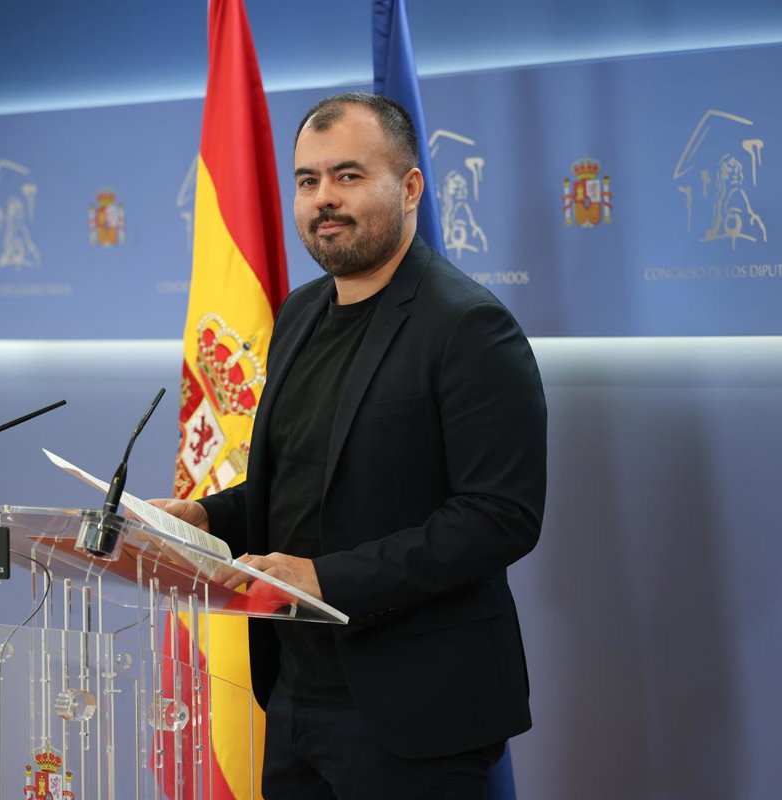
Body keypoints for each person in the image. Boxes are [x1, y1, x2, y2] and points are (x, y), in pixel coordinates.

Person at [155, 92, 546, 799]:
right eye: (307, 181)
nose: (324, 199)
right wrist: (209, 516)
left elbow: (500, 517)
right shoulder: (300, 313)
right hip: (294, 695)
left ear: (410, 187)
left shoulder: (469, 327)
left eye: (348, 176)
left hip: (417, 712)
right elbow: (299, 483)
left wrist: (325, 579)